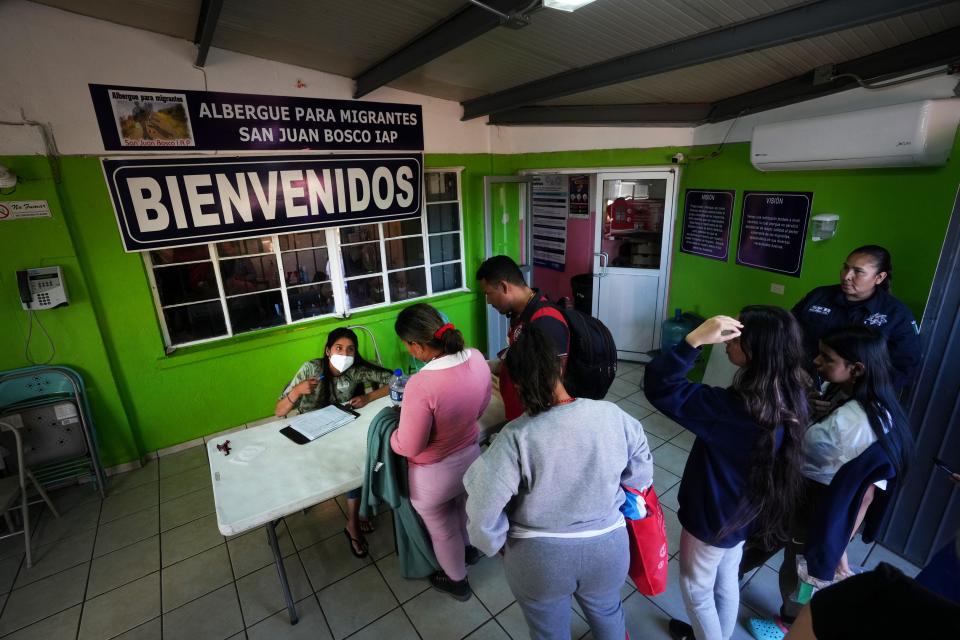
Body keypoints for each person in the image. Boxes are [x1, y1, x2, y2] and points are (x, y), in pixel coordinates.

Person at [464, 324, 654, 640]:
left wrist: (495, 544)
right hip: (608, 548)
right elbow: (641, 477)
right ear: (561, 366)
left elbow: (483, 512)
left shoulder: (515, 437)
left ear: (515, 382)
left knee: (548, 631)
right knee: (608, 613)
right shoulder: (613, 416)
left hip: (539, 559)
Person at [644, 306, 809, 640]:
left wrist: (692, 341)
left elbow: (660, 386)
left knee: (695, 589)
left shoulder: (732, 411)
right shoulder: (787, 392)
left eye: (737, 337)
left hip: (713, 518)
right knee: (726, 578)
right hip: (745, 510)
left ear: (756, 352)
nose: (727, 343)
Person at [740, 325, 914, 632]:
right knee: (769, 535)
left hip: (816, 499)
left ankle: (789, 621)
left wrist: (839, 541)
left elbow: (865, 492)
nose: (817, 362)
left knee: (801, 567)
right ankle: (736, 570)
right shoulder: (870, 401)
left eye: (827, 358)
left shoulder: (851, 423)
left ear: (856, 368)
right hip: (810, 493)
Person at [390, 304, 492, 600]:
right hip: (471, 461)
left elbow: (410, 445)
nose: (409, 352)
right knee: (462, 508)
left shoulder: (421, 384)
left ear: (418, 346)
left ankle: (458, 581)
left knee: (443, 530)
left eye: (408, 346)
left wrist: (393, 436)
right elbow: (481, 407)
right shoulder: (475, 357)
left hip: (432, 478)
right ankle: (469, 550)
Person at [275, 327, 393, 557]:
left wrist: (369, 396)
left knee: (358, 462)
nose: (344, 355)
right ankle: (359, 511)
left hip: (342, 431)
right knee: (350, 466)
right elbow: (279, 411)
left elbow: (397, 378)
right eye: (339, 348)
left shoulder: (356, 371)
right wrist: (297, 391)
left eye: (350, 350)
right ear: (328, 351)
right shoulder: (311, 368)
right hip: (310, 437)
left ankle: (353, 521)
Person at [792, 245, 921, 390]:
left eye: (858, 271)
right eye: (846, 268)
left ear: (879, 277)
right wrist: (794, 370)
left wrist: (850, 394)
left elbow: (904, 369)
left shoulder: (896, 315)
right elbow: (786, 336)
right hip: (801, 383)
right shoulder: (819, 296)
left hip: (852, 397)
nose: (846, 276)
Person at [476, 255, 569, 421]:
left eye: (488, 293)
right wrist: (490, 366)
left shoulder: (545, 322)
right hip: (517, 415)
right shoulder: (521, 314)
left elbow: (549, 386)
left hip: (532, 422)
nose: (488, 301)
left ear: (504, 286)